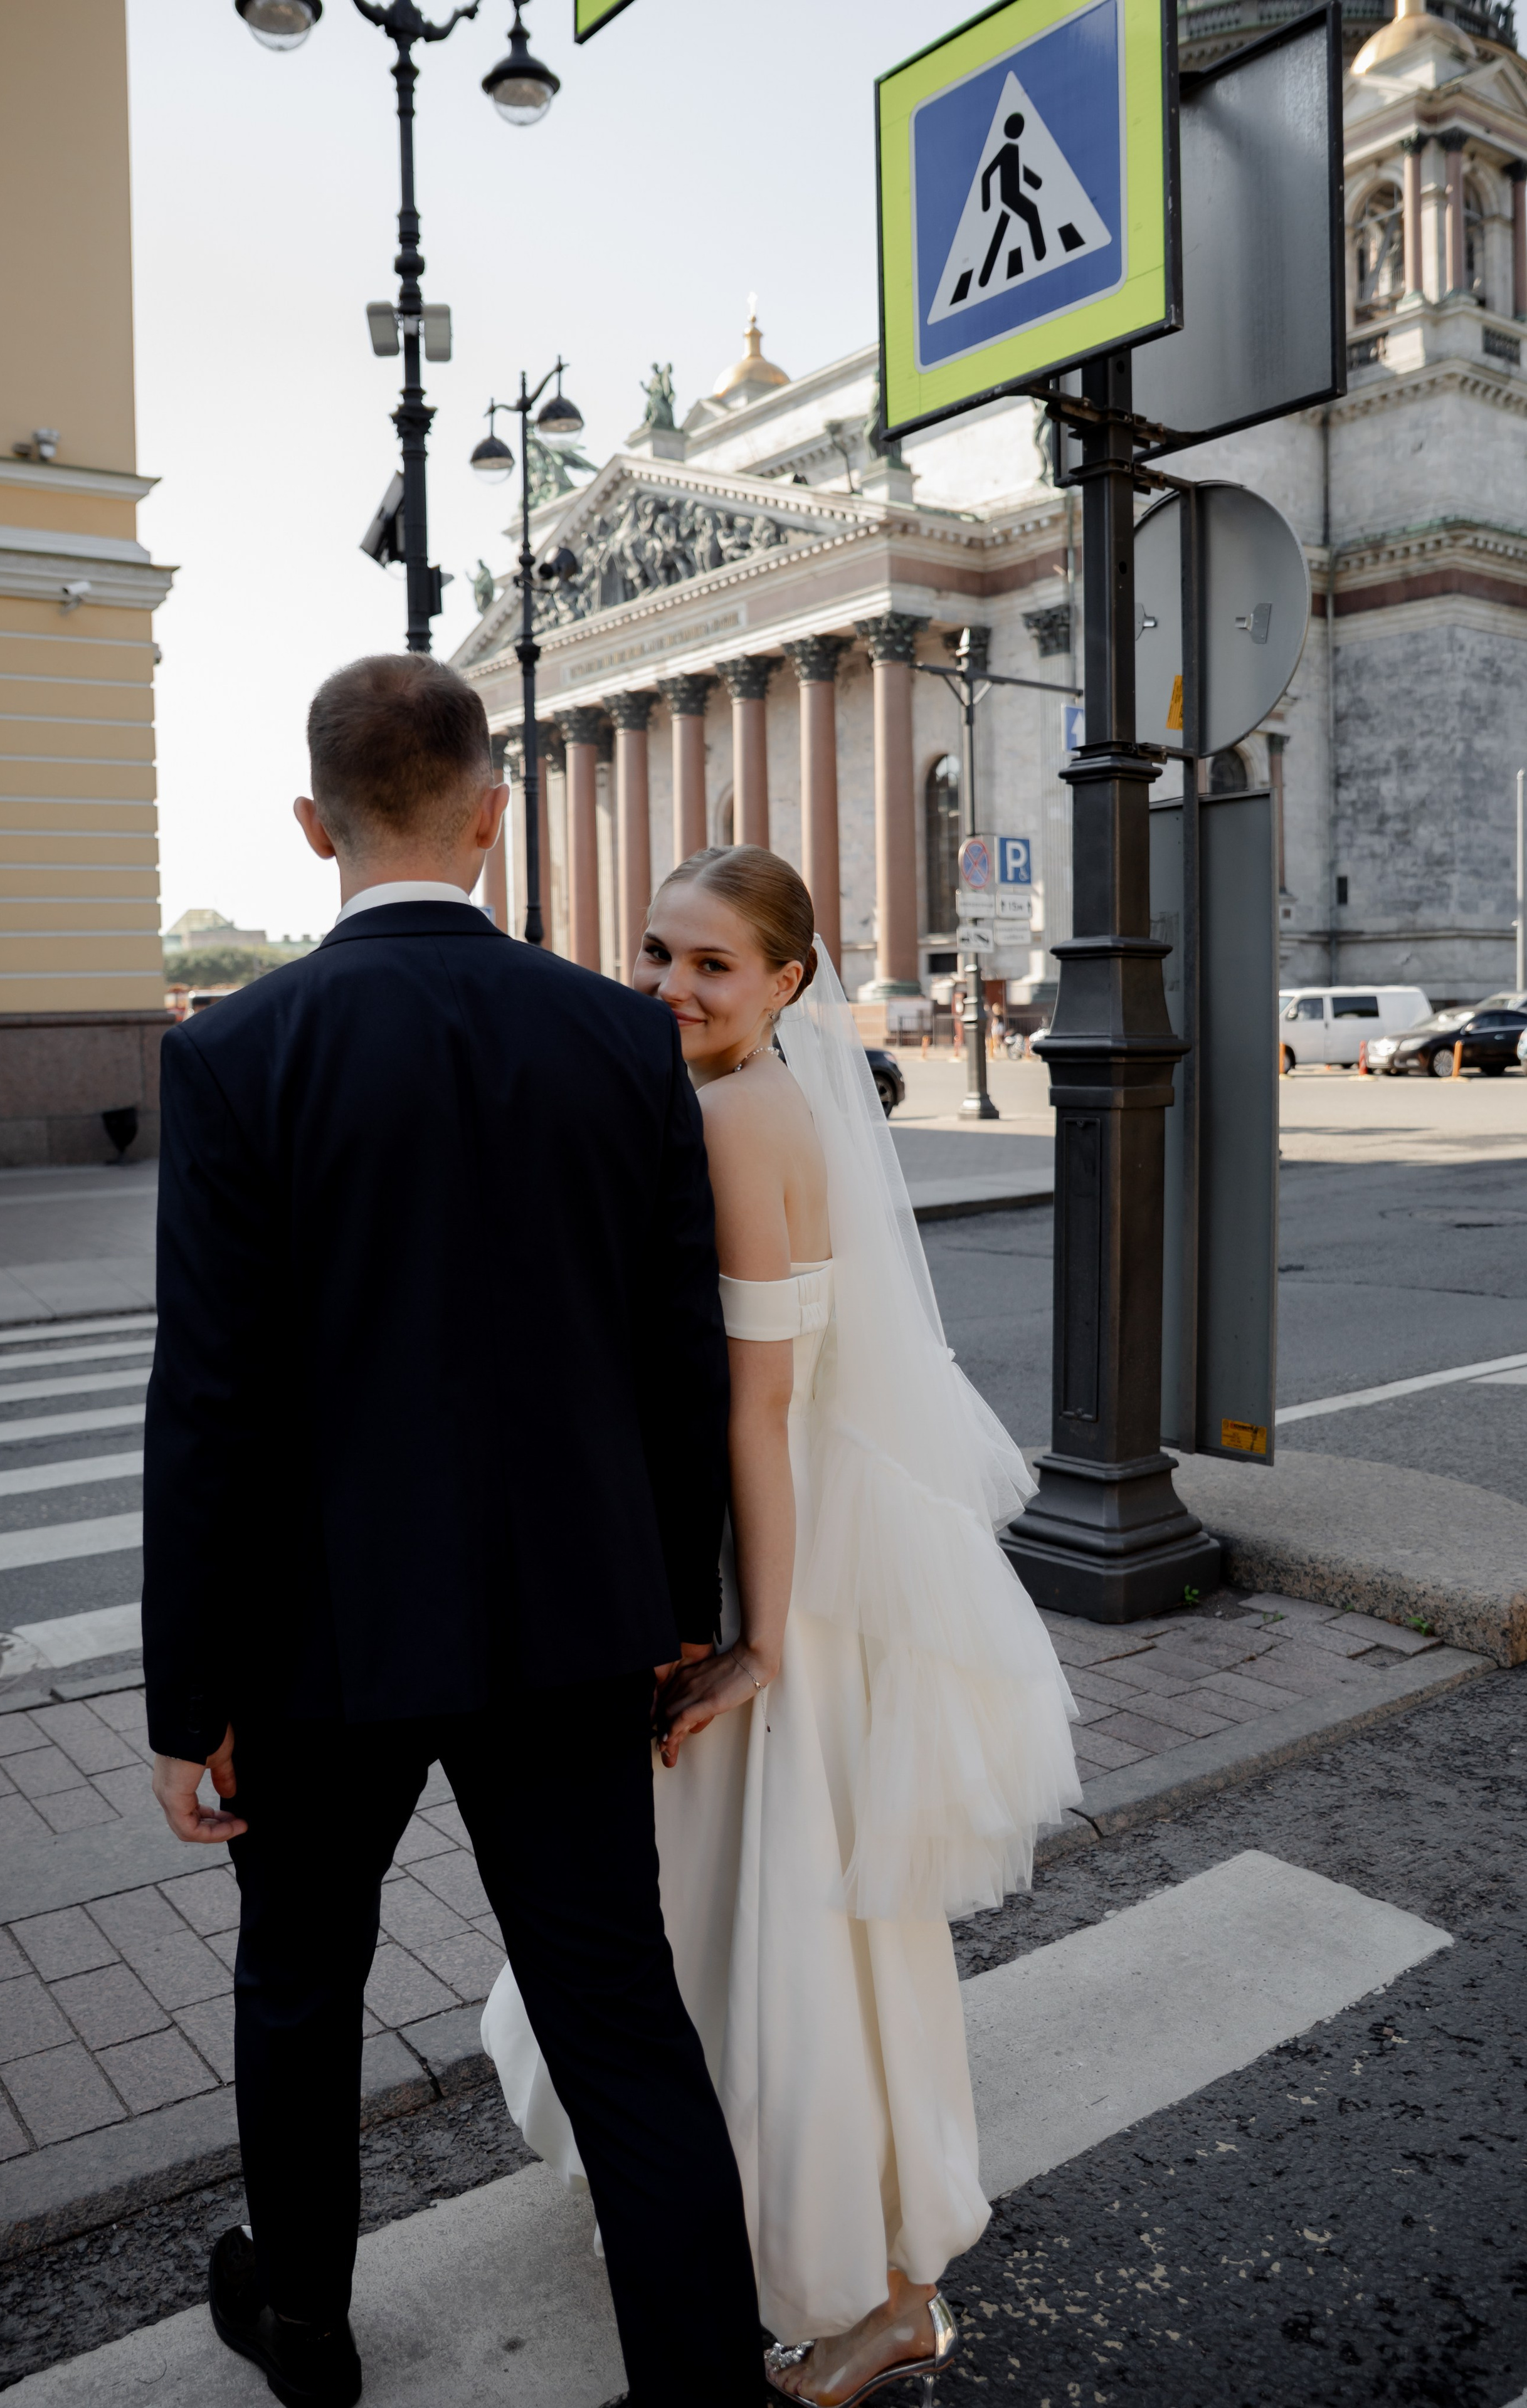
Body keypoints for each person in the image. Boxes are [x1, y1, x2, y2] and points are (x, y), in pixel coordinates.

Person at [143, 656, 764, 2408]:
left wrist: (191, 1694)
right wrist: (671, 1604)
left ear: (309, 824)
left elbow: (211, 1401)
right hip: (575, 1619)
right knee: (618, 2014)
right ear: (496, 813)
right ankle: (705, 2381)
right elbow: (678, 1354)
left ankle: (308, 2330)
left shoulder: (240, 1052)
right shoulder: (617, 1035)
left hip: (319, 1637)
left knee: (299, 1986)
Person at [483, 845, 1083, 2407]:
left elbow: (757, 1410)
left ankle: (876, 2292)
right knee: (734, 1903)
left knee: (788, 1915)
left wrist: (761, 1633)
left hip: (774, 1551)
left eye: (710, 965)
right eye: (654, 952)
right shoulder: (725, 1094)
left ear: (787, 985)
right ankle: (750, 2212)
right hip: (768, 1532)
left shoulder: (747, 1115)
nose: (670, 986)